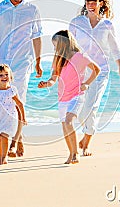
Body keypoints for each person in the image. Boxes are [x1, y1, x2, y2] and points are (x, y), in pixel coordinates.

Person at [0, 0, 43, 158]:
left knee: (19, 102)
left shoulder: (32, 10)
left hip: (22, 64)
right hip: (2, 64)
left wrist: (38, 62)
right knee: (3, 104)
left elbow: (37, 37)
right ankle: (15, 137)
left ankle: (15, 142)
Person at [69, 0, 120, 156]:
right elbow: (68, 45)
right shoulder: (76, 22)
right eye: (88, 2)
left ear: (100, 3)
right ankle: (87, 132)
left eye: (94, 2)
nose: (90, 6)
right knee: (79, 109)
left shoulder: (107, 25)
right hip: (80, 71)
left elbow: (115, 48)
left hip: (100, 72)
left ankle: (86, 142)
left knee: (91, 106)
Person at [38, 30, 100, 164]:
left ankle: (76, 153)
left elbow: (96, 69)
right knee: (65, 127)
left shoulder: (80, 56)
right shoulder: (58, 59)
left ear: (64, 44)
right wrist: (47, 84)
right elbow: (53, 78)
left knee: (68, 122)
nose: (55, 48)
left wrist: (87, 84)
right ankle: (71, 153)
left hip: (77, 95)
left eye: (56, 45)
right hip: (62, 98)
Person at [0, 64, 26, 165]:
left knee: (4, 136)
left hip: (8, 118)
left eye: (6, 74)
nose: (4, 77)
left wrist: (23, 118)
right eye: (1, 75)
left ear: (10, 76)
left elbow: (20, 104)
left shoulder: (11, 90)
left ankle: (3, 158)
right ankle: (1, 155)